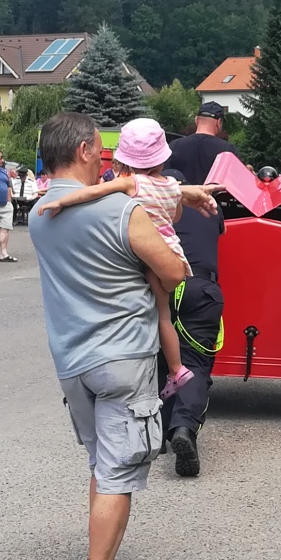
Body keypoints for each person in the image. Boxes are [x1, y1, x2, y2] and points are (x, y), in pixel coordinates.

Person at [28, 112, 208, 560]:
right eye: (99, 150)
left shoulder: (40, 211)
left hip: (72, 361)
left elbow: (114, 192)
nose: (105, 159)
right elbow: (174, 271)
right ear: (84, 150)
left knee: (101, 464)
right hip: (122, 358)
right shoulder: (121, 212)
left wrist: (175, 191)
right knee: (117, 473)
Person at [37, 119, 203, 400]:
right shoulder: (173, 186)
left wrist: (62, 200)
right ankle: (176, 368)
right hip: (173, 250)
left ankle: (176, 369)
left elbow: (95, 191)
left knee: (161, 315)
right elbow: (175, 216)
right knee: (165, 315)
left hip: (150, 258)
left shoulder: (130, 183)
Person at [159, 99, 238, 476]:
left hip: (162, 286)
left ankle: (159, 431)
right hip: (200, 287)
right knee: (195, 362)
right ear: (219, 122)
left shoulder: (151, 209)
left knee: (162, 358)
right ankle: (184, 426)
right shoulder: (212, 209)